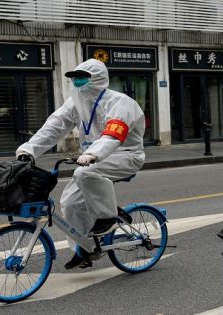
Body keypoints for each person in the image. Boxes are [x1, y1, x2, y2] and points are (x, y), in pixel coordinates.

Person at [16, 58, 145, 269]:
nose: (77, 82)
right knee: (70, 203)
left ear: (98, 79)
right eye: (75, 78)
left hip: (126, 155)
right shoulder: (76, 102)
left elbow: (113, 135)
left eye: (82, 78)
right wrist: (29, 149)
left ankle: (108, 217)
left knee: (85, 174)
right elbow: (54, 127)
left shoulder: (120, 103)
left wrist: (93, 153)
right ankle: (84, 247)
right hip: (92, 160)